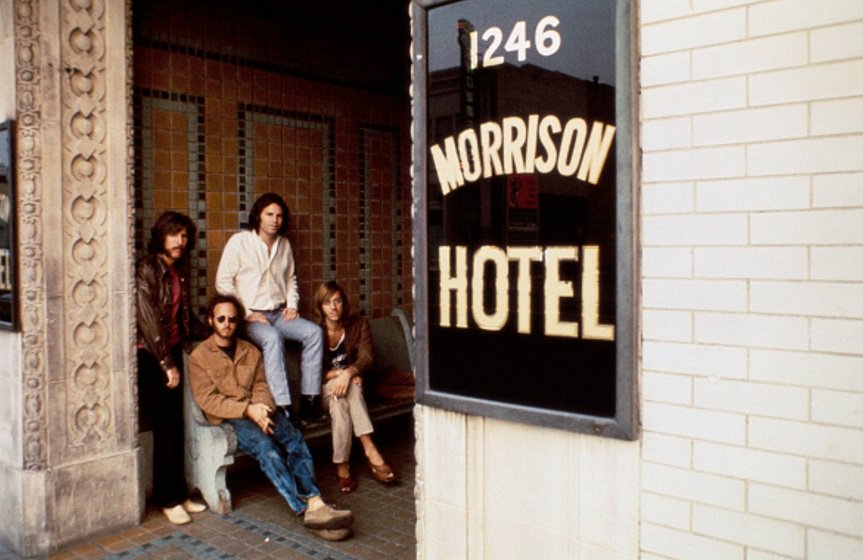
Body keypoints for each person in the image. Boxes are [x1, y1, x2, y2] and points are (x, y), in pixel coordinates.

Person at [188, 294, 354, 541]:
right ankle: (305, 507)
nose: (226, 324)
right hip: (230, 417)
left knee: (295, 439)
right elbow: (208, 399)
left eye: (232, 319)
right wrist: (247, 410)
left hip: (260, 410)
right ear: (211, 320)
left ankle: (315, 498)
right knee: (267, 449)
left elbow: (262, 385)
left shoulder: (250, 351)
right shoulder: (199, 357)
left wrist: (262, 409)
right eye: (220, 318)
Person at [216, 193, 324, 424]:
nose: (275, 220)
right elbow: (223, 282)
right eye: (269, 214)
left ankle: (310, 402)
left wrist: (292, 305)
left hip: (278, 313)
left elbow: (290, 279)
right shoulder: (239, 242)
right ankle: (283, 406)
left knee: (314, 333)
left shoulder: (284, 245)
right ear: (258, 216)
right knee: (273, 339)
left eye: (279, 216)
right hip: (249, 318)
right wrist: (245, 313)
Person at [136, 211, 208, 525]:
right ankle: (167, 499)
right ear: (161, 236)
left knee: (175, 426)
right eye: (174, 234)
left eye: (184, 235)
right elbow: (147, 317)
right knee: (165, 427)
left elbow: (182, 317)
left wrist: (212, 330)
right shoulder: (148, 268)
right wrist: (166, 363)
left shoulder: (174, 270)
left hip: (172, 351)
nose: (181, 241)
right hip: (152, 355)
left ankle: (177, 493)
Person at [313, 281, 396, 494]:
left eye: (337, 301)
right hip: (324, 388)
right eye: (327, 303)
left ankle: (342, 465)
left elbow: (367, 357)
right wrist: (340, 375)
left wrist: (350, 373)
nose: (333, 307)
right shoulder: (314, 332)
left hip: (348, 389)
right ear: (320, 307)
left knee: (342, 399)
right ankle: (370, 449)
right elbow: (312, 373)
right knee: (340, 392)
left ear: (344, 303)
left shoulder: (358, 325)